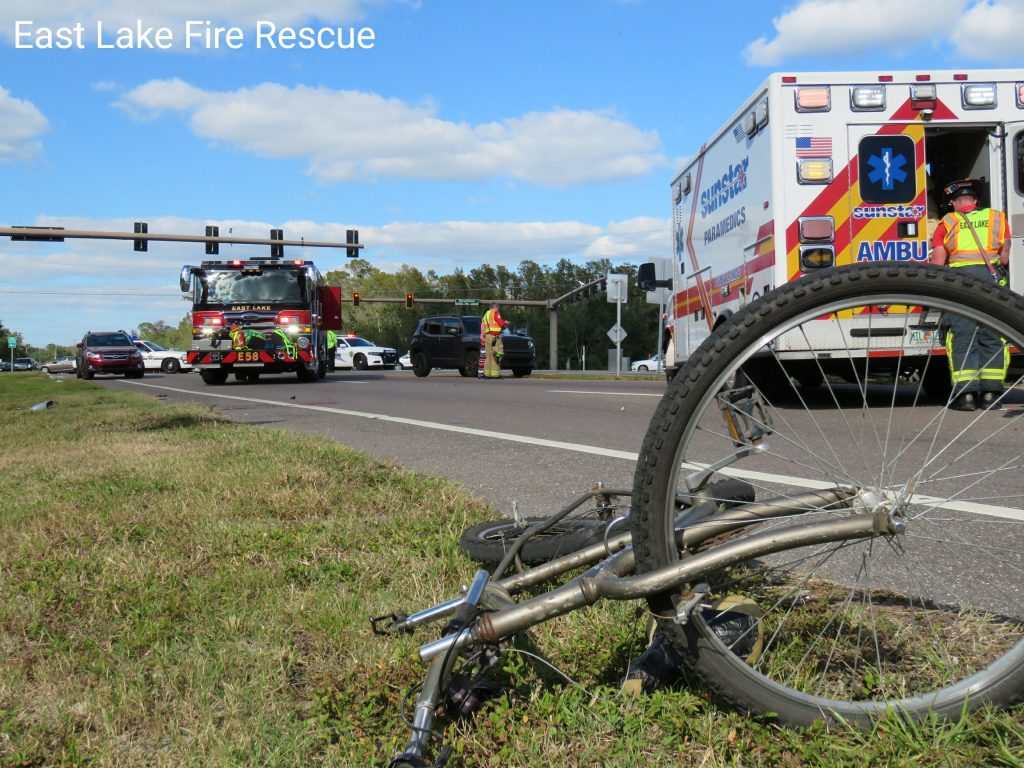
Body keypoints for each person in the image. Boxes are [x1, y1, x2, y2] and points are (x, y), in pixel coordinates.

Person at [929, 179, 1011, 411]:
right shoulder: (998, 218)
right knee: (993, 335)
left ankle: (966, 395)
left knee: (962, 336)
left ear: (955, 204)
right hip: (991, 281)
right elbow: (1004, 257)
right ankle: (991, 393)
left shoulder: (948, 221)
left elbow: (937, 261)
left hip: (960, 283)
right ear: (975, 201)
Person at [480, 303, 508, 379]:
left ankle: (487, 374)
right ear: (496, 307)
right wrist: (505, 323)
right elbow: (501, 323)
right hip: (495, 337)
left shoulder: (486, 314)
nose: (498, 310)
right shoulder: (495, 313)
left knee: (488, 356)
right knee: (497, 354)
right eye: (498, 308)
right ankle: (495, 374)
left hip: (487, 337)